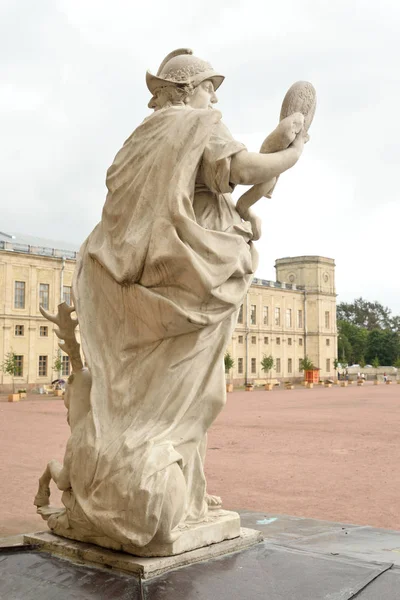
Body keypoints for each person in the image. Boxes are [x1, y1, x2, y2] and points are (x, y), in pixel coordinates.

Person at [46, 49, 307, 551]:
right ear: (186, 90)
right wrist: (293, 154)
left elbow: (210, 192)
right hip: (186, 290)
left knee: (141, 399)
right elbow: (243, 167)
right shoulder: (194, 124)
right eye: (212, 87)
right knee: (198, 397)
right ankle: (151, 492)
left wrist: (246, 206)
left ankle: (180, 494)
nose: (216, 98)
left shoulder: (140, 140)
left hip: (129, 284)